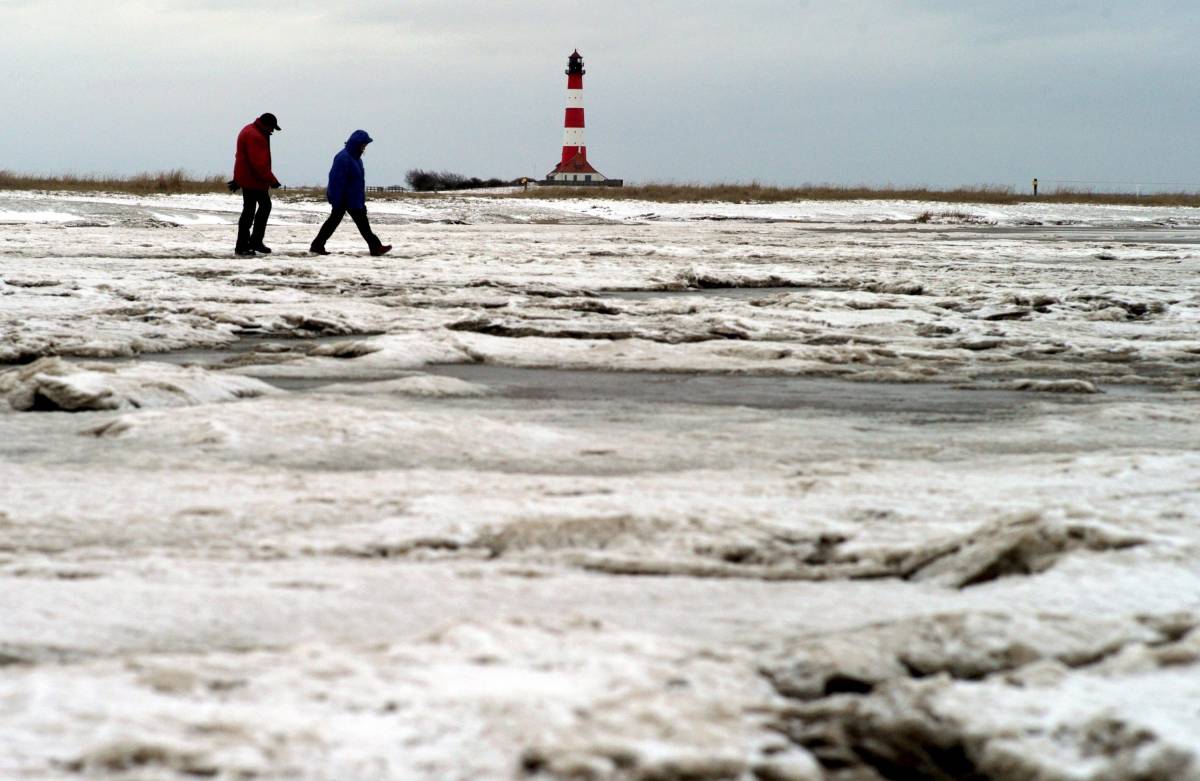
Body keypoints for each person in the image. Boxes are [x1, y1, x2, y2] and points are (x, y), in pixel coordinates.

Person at [310, 130, 391, 256]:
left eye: (365, 145)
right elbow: (336, 180)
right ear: (356, 144)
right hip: (343, 199)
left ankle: (375, 247)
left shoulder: (357, 159)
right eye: (363, 144)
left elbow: (358, 182)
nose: (365, 147)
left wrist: (361, 200)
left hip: (354, 199)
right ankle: (317, 245)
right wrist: (336, 199)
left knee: (361, 224)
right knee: (336, 223)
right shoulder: (343, 158)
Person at [230, 112, 282, 257]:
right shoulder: (255, 136)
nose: (272, 131)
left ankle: (250, 243)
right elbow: (258, 164)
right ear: (266, 125)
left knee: (252, 210)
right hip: (254, 180)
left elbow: (240, 158)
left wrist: (237, 178)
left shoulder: (249, 130)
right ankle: (246, 245)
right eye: (272, 128)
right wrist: (272, 180)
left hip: (249, 179)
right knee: (257, 209)